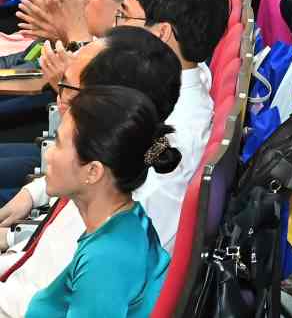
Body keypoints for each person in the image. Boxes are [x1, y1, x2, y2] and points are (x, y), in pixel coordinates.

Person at [22, 85, 179, 318]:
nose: (48, 154)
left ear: (93, 172)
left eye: (59, 143)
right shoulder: (126, 222)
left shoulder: (106, 260)